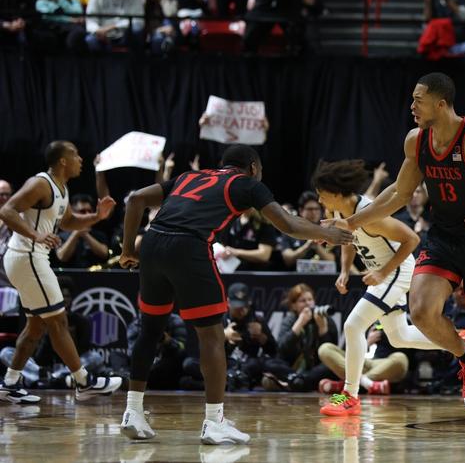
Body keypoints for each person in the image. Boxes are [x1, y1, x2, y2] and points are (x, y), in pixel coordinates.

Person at [116, 144, 353, 444]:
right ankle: (214, 421)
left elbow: (136, 199)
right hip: (189, 247)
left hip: (152, 244)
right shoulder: (245, 183)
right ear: (253, 167)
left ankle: (132, 411)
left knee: (150, 330)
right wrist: (327, 233)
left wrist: (127, 251)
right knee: (212, 336)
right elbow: (287, 224)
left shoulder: (189, 177)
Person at [329, 73, 465, 442]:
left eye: (418, 100)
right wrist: (349, 222)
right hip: (444, 236)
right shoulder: (417, 141)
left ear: (441, 104)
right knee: (421, 312)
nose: (411, 107)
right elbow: (398, 194)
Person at [312, 159, 446, 416]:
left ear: (337, 194)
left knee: (353, 326)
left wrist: (383, 271)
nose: (319, 201)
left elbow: (412, 239)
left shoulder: (371, 215)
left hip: (397, 270)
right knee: (400, 337)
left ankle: (350, 395)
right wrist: (343, 270)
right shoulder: (339, 213)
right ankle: (461, 341)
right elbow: (348, 240)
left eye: (321, 195)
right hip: (384, 273)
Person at [0, 141, 122, 404]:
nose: (80, 159)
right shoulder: (41, 183)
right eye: (76, 155)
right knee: (59, 321)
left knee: (36, 326)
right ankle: (83, 381)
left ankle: (10, 382)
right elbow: (7, 210)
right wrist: (36, 234)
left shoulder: (62, 189)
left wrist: (97, 217)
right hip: (27, 257)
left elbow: (68, 222)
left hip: (30, 258)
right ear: (63, 161)